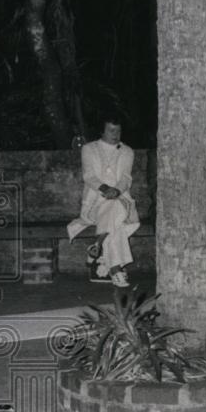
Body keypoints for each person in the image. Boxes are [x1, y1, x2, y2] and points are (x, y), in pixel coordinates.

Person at [66, 116, 140, 288]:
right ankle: (113, 266)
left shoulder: (127, 151)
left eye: (118, 130)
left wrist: (117, 190)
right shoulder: (89, 149)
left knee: (115, 206)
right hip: (95, 202)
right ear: (102, 131)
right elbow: (89, 176)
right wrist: (106, 189)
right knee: (115, 221)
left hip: (121, 200)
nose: (115, 134)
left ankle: (105, 255)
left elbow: (126, 178)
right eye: (111, 130)